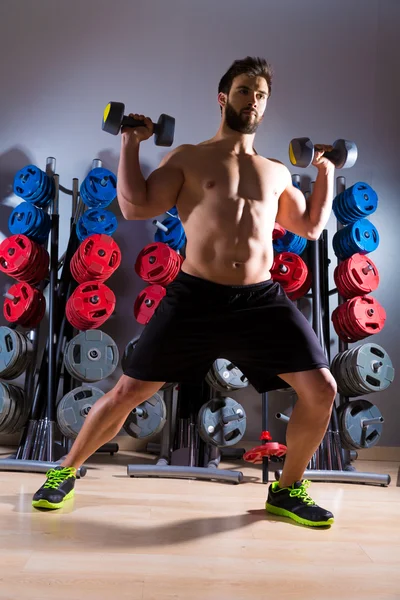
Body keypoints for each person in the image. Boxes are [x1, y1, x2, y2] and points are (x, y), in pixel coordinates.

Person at [32, 56, 337, 527]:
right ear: (223, 98)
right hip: (196, 297)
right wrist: (131, 143)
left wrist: (326, 171)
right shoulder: (190, 158)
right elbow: (136, 207)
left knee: (321, 388)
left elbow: (313, 226)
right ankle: (63, 472)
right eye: (243, 91)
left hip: (260, 301)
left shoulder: (275, 170)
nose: (252, 100)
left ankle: (288, 488)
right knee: (129, 391)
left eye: (260, 94)